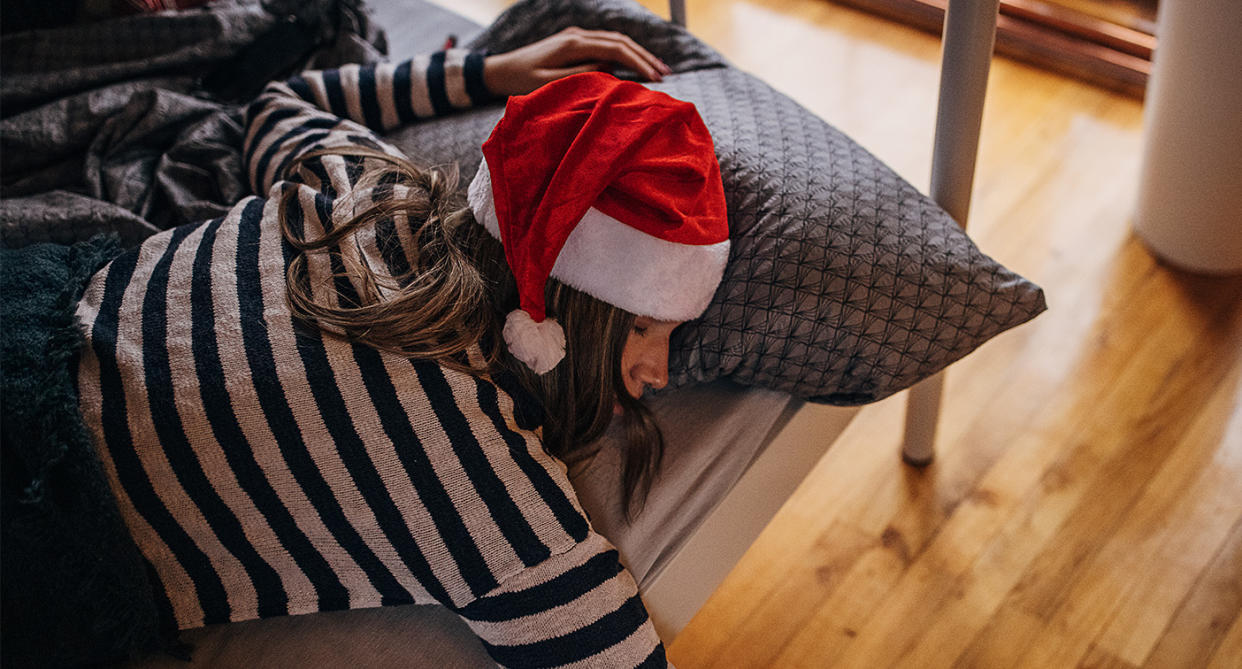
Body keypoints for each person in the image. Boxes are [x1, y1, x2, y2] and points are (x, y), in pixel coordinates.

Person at [72, 27, 728, 668]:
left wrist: (488, 72)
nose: (661, 373)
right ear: (557, 310)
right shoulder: (467, 463)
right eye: (645, 327)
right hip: (48, 511)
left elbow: (276, 106)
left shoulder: (365, 182)